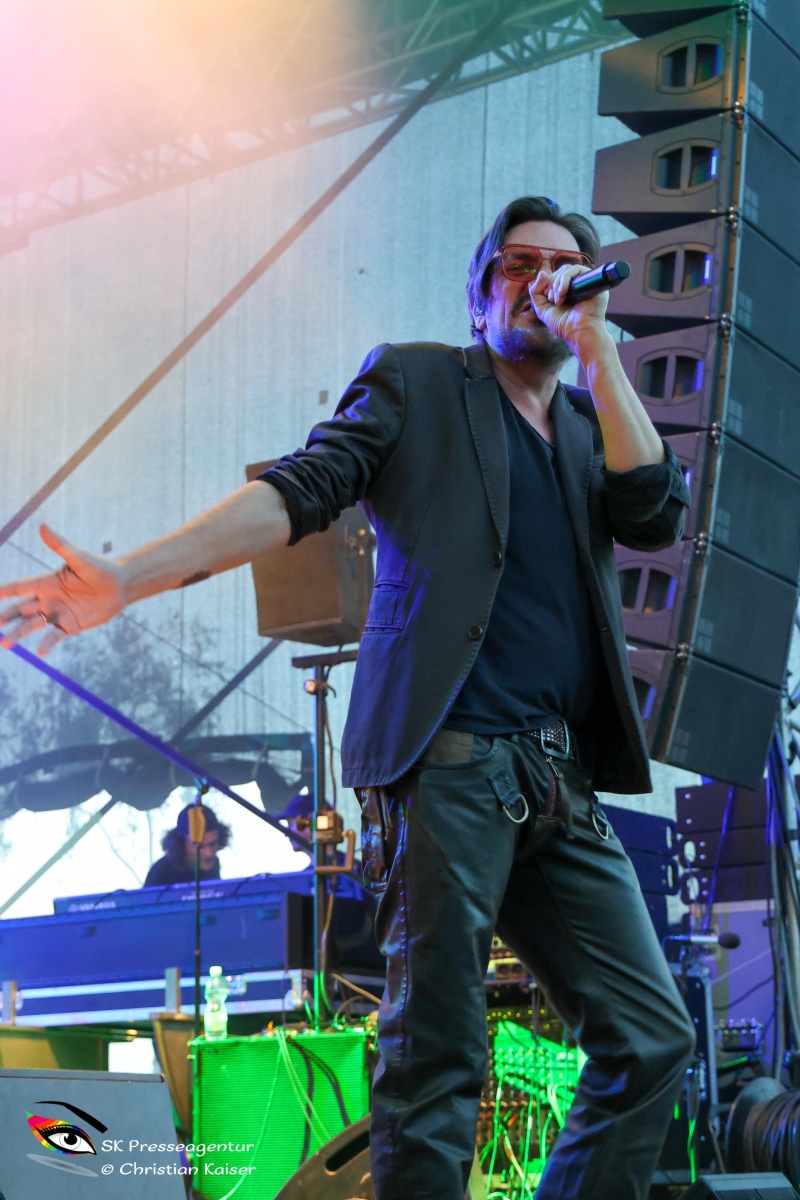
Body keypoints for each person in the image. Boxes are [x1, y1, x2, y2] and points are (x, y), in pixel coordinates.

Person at [0, 196, 696, 1200]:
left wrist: (596, 348)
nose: (539, 279)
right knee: (437, 1055)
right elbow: (298, 491)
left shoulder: (592, 426)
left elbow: (652, 512)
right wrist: (132, 577)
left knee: (650, 1037)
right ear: (478, 294)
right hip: (451, 763)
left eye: (560, 264)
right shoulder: (419, 381)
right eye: (515, 263)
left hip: (558, 777)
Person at [143, 802, 230, 886]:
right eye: (199, 847)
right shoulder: (161, 871)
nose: (209, 853)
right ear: (181, 843)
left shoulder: (213, 864)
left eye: (212, 844)